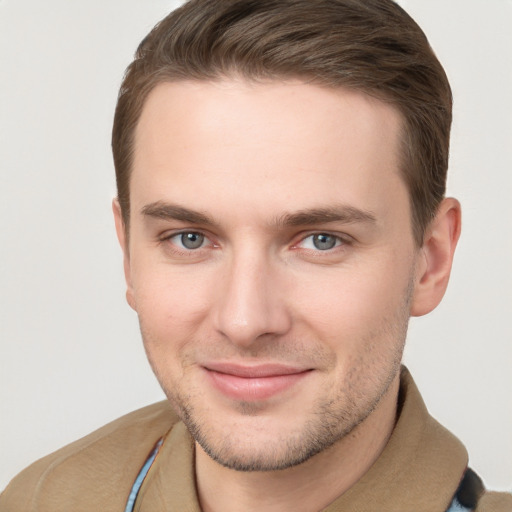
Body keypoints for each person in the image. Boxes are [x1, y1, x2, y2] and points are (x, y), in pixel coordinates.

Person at [1, 0, 510, 510]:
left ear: (432, 260)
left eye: (321, 240)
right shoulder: (39, 500)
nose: (244, 321)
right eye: (190, 238)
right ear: (129, 255)